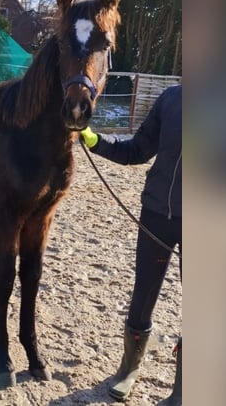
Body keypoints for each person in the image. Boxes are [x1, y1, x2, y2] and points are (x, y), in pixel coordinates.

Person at [80, 83, 181, 405]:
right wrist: (96, 141)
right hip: (157, 215)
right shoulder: (172, 99)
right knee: (142, 297)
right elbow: (137, 150)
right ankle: (128, 369)